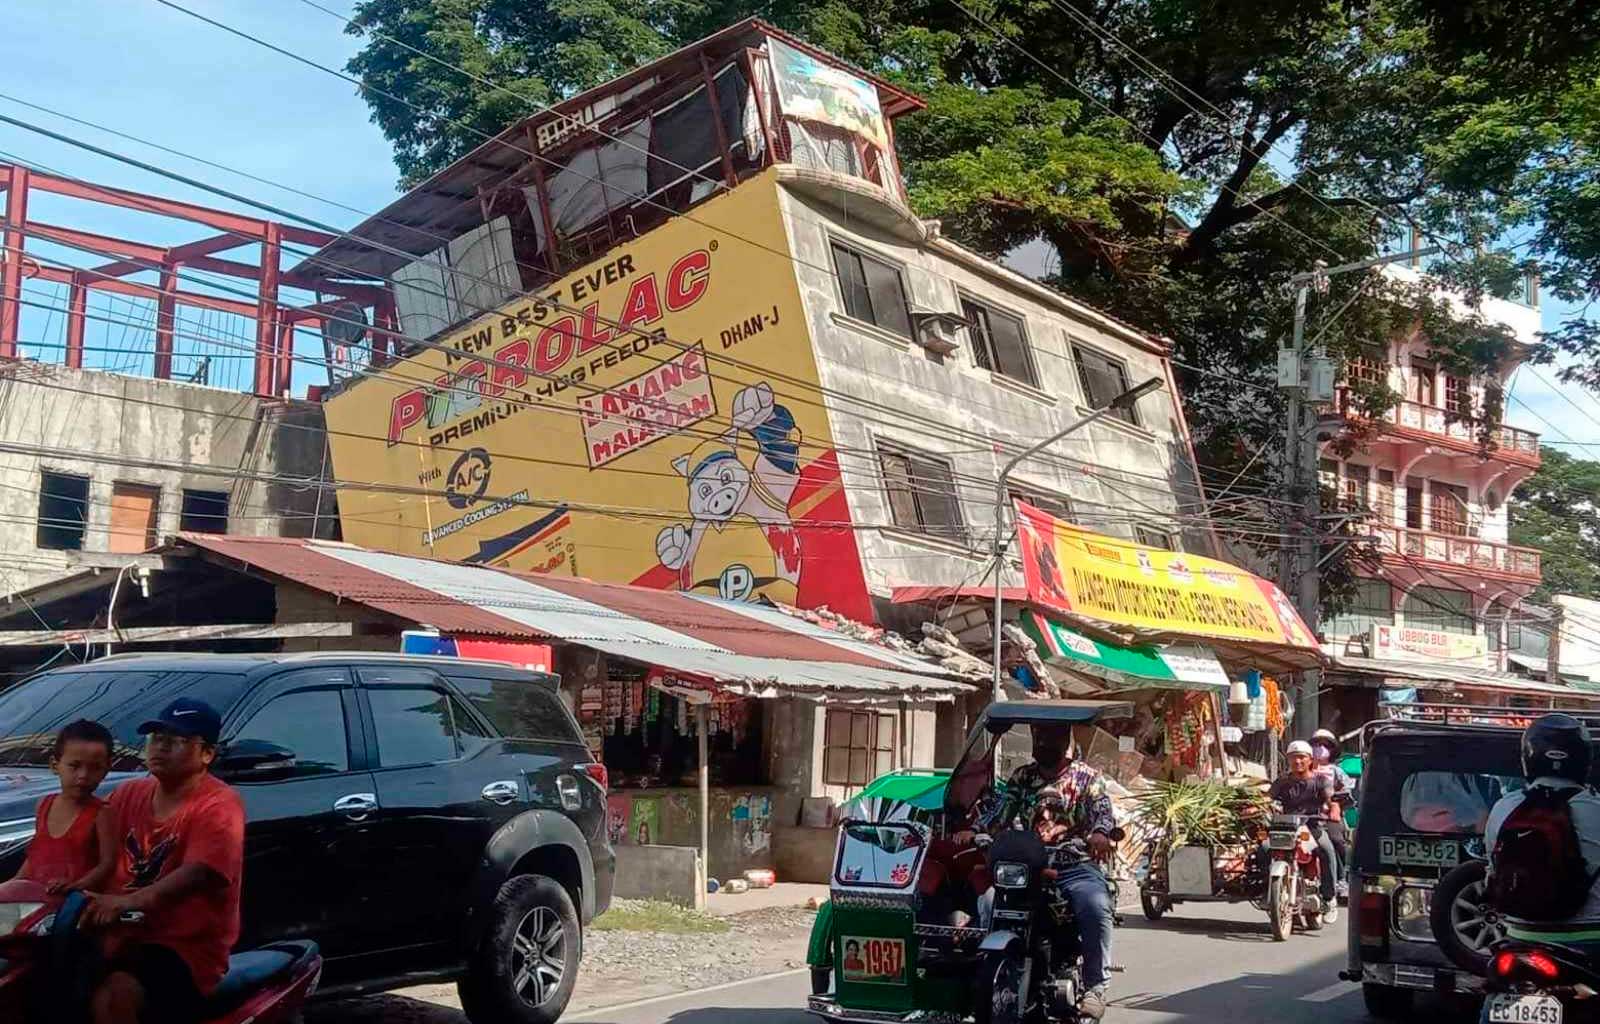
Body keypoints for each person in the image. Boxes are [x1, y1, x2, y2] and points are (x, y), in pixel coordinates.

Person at [80, 698, 245, 1024]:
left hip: (180, 947)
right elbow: (82, 840)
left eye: (177, 740)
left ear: (207, 754)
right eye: (156, 738)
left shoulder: (219, 805)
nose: (161, 747)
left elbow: (197, 873)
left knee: (115, 995)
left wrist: (126, 901)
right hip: (114, 935)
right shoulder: (127, 794)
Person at [963, 723, 1117, 1021]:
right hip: (1027, 865)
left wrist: (1100, 833)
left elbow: (1103, 812)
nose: (1043, 742)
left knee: (1095, 906)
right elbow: (1001, 809)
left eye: (1050, 737)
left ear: (1064, 740)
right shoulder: (1023, 776)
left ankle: (1096, 986)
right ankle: (986, 971)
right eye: (1038, 736)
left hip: (1074, 864)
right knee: (989, 901)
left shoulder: (1087, 778)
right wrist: (976, 829)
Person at [1483, 714, 1600, 952]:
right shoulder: (1595, 807)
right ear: (1585, 761)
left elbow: (1492, 867)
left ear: (1528, 758)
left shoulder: (1504, 807)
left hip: (1519, 935)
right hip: (1589, 938)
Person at [19, 720, 114, 894]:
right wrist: (14, 884)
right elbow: (36, 856)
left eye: (95, 768)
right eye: (74, 766)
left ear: (106, 769)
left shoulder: (101, 813)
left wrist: (77, 885)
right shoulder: (44, 805)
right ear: (55, 765)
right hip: (36, 899)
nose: (83, 775)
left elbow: (107, 864)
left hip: (75, 901)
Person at [1266, 739, 1339, 917]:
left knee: (1327, 851)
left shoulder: (1320, 781)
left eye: (1301, 757)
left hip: (1311, 828)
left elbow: (1331, 800)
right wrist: (1254, 806)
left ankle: (1329, 898)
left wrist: (1334, 810)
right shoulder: (1282, 781)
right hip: (1286, 828)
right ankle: (1266, 891)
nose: (1297, 761)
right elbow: (1267, 798)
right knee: (1263, 849)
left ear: (1310, 760)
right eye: (1293, 757)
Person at [1310, 728, 1353, 900]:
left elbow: (1347, 791)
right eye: (1316, 745)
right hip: (1307, 814)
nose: (1320, 749)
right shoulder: (1304, 769)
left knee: (1336, 840)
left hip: (1330, 816)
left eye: (1324, 745)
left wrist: (1336, 805)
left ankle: (1342, 880)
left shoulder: (1336, 771)